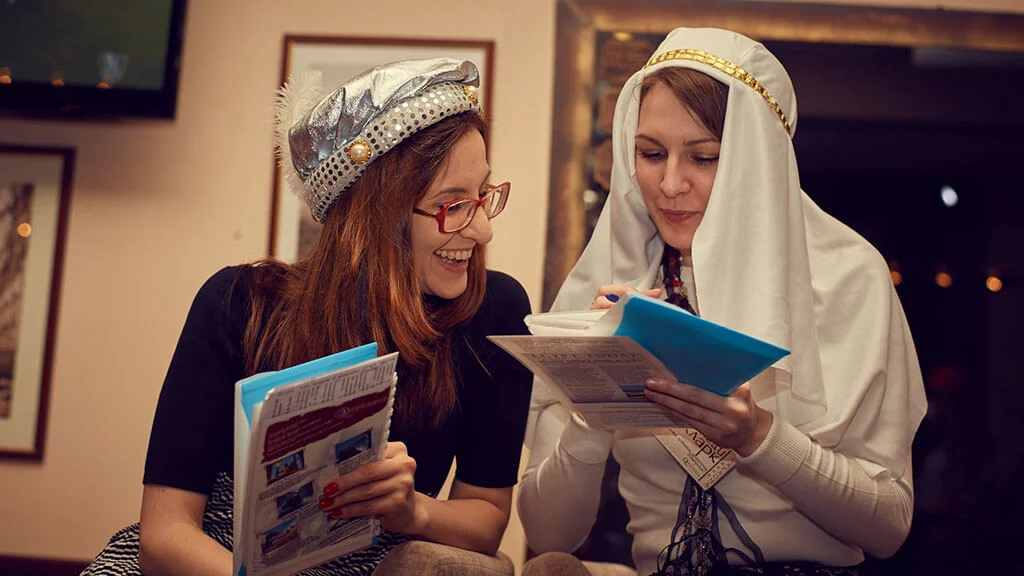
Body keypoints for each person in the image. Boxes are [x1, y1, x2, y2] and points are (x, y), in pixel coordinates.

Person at [82, 58, 533, 576]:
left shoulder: (493, 313)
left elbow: (487, 517)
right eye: (452, 206)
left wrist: (414, 511)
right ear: (374, 214)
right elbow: (164, 536)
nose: (483, 230)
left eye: (483, 196)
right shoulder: (240, 305)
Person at [519, 28, 927, 576]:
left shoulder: (850, 279)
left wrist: (759, 437)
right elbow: (549, 535)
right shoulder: (616, 280)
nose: (669, 184)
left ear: (757, 163)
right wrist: (596, 404)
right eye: (650, 153)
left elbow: (889, 527)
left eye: (704, 158)